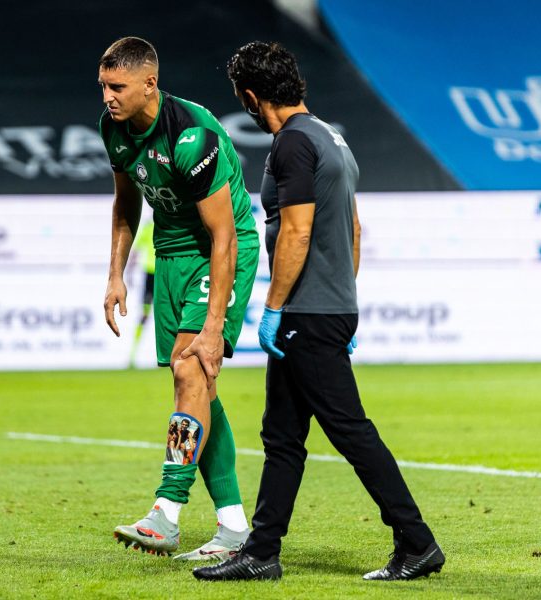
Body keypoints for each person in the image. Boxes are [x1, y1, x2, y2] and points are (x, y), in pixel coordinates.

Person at [194, 41, 444, 582]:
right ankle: (262, 551)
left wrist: (274, 308)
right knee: (282, 436)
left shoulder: (290, 144)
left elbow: (299, 231)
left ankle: (417, 543)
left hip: (306, 312)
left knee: (351, 430)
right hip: (327, 306)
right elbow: (353, 229)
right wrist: (342, 299)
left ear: (252, 95)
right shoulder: (332, 137)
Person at [98, 37, 261, 561]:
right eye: (103, 86)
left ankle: (166, 511)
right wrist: (115, 275)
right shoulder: (114, 129)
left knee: (192, 371)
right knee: (198, 386)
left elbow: (225, 235)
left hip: (219, 251)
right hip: (168, 256)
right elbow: (126, 205)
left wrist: (214, 327)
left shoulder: (191, 136)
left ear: (150, 82)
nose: (107, 97)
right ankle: (234, 525)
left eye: (117, 87)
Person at [128, 219, 156, 367]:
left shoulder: (166, 225)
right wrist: (130, 272)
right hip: (151, 274)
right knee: (145, 314)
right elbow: (136, 250)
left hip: (164, 272)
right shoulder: (148, 227)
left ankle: (167, 356)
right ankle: (133, 355)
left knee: (166, 315)